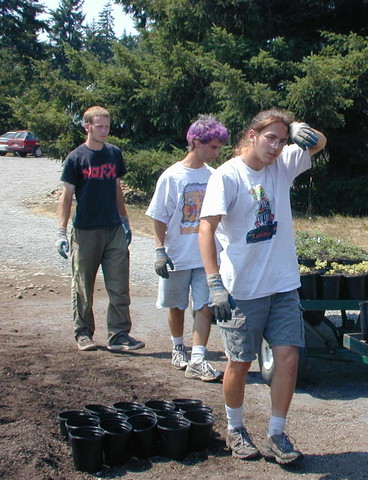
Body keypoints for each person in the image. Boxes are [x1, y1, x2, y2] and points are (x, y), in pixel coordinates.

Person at [198, 108, 326, 464]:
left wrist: (299, 128)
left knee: (288, 358)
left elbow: (320, 142)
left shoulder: (281, 167)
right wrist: (214, 282)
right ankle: (236, 429)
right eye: (271, 138)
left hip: (282, 284)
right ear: (251, 135)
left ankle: (276, 433)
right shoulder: (227, 176)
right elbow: (206, 229)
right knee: (239, 362)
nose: (277, 146)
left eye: (283, 141)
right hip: (242, 289)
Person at [145, 115, 228, 382]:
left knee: (203, 306)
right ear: (195, 142)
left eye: (219, 147)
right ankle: (177, 346)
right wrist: (160, 250)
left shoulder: (215, 177)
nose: (217, 152)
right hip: (178, 255)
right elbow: (159, 216)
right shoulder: (172, 177)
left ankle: (199, 358)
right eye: (213, 147)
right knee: (177, 305)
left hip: (206, 257)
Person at [56, 105, 145, 352]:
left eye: (107, 126)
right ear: (87, 127)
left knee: (119, 286)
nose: (104, 131)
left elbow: (117, 187)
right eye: (99, 126)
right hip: (85, 230)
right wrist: (61, 232)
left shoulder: (114, 154)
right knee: (83, 285)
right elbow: (66, 196)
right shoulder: (76, 158)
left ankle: (119, 335)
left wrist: (125, 220)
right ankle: (83, 333)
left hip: (113, 228)